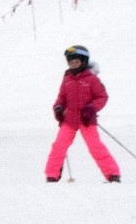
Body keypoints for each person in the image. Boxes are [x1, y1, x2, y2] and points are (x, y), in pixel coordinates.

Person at [45, 45, 121, 183]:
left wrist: (91, 108)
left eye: (76, 62)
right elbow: (61, 98)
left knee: (95, 147)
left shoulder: (91, 79)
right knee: (58, 146)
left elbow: (102, 97)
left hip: (87, 120)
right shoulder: (67, 79)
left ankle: (112, 174)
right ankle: (52, 175)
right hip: (69, 120)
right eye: (71, 62)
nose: (73, 65)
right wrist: (58, 108)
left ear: (84, 62)